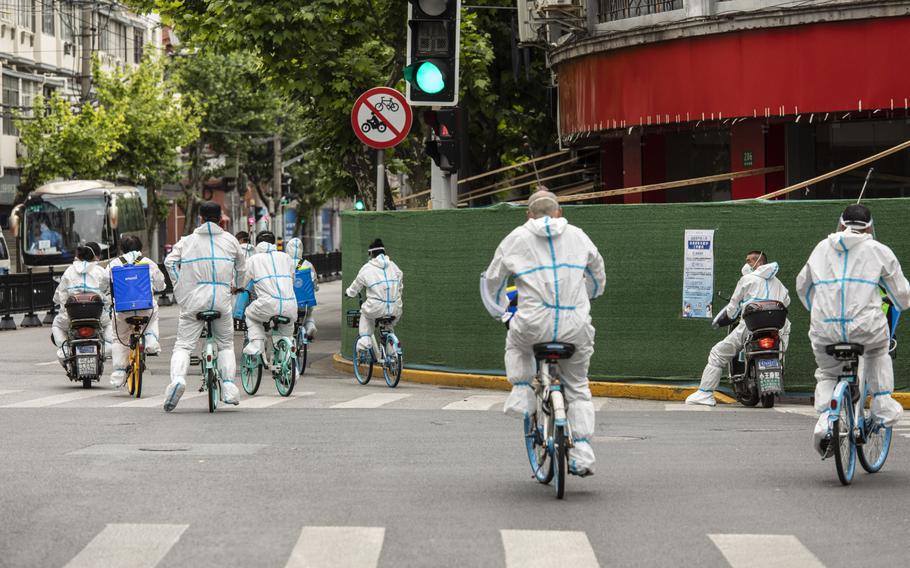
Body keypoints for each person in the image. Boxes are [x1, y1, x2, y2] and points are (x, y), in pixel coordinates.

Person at [480, 189, 606, 477]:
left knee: (516, 342)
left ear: (529, 215)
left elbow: (493, 281)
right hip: (575, 325)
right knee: (578, 388)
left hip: (533, 324)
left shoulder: (516, 238)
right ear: (559, 212)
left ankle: (522, 393)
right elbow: (598, 276)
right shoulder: (578, 235)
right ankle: (583, 453)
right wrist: (588, 296)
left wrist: (501, 311)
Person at [796, 204, 910, 456]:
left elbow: (802, 287)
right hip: (866, 329)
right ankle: (882, 404)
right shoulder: (879, 250)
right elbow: (902, 297)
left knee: (827, 374)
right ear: (869, 226)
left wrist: (821, 311)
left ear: (840, 224)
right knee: (879, 352)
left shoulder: (820, 249)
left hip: (824, 329)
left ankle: (826, 422)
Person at [163, 201, 247, 411]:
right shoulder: (230, 241)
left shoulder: (187, 241)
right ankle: (228, 387)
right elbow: (241, 266)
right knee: (226, 344)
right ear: (220, 218)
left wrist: (180, 287)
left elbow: (170, 262)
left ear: (199, 218)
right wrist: (237, 286)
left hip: (193, 301)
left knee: (183, 345)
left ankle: (178, 381)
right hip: (220, 300)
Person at [685, 251, 791, 406]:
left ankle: (705, 394)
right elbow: (786, 302)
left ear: (759, 263)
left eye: (749, 260)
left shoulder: (747, 279)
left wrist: (729, 316)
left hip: (751, 327)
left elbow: (733, 308)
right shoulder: (779, 284)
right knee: (779, 354)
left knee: (718, 353)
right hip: (778, 328)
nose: (746, 264)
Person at [106, 236, 167, 388]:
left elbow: (103, 282)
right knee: (152, 319)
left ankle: (119, 373)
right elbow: (160, 284)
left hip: (122, 310)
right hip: (146, 309)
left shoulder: (114, 263)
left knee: (119, 338)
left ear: (122, 249)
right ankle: (151, 341)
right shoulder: (149, 263)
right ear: (140, 247)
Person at [51, 242, 113, 364]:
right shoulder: (100, 271)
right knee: (108, 325)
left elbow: (59, 295)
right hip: (97, 315)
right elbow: (109, 290)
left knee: (57, 326)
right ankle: (107, 347)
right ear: (95, 256)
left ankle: (64, 349)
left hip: (71, 315)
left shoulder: (69, 271)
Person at [241, 231, 298, 357]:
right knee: (287, 334)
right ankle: (289, 362)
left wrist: (235, 289)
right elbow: (292, 279)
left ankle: (257, 343)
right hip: (290, 305)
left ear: (257, 244)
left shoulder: (253, 260)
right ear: (274, 243)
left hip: (267, 305)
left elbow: (242, 282)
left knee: (250, 315)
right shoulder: (286, 258)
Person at [345, 238, 403, 353]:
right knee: (388, 326)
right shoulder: (394, 266)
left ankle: (365, 342)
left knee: (366, 315)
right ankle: (392, 354)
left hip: (376, 307)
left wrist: (349, 293)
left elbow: (356, 285)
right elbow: (400, 285)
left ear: (371, 253)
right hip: (395, 307)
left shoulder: (367, 268)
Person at [285, 237, 319, 340]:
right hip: (304, 301)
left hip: (288, 300)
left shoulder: (285, 262)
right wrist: (315, 288)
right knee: (308, 315)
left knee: (286, 321)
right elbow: (314, 281)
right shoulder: (307, 264)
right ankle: (310, 327)